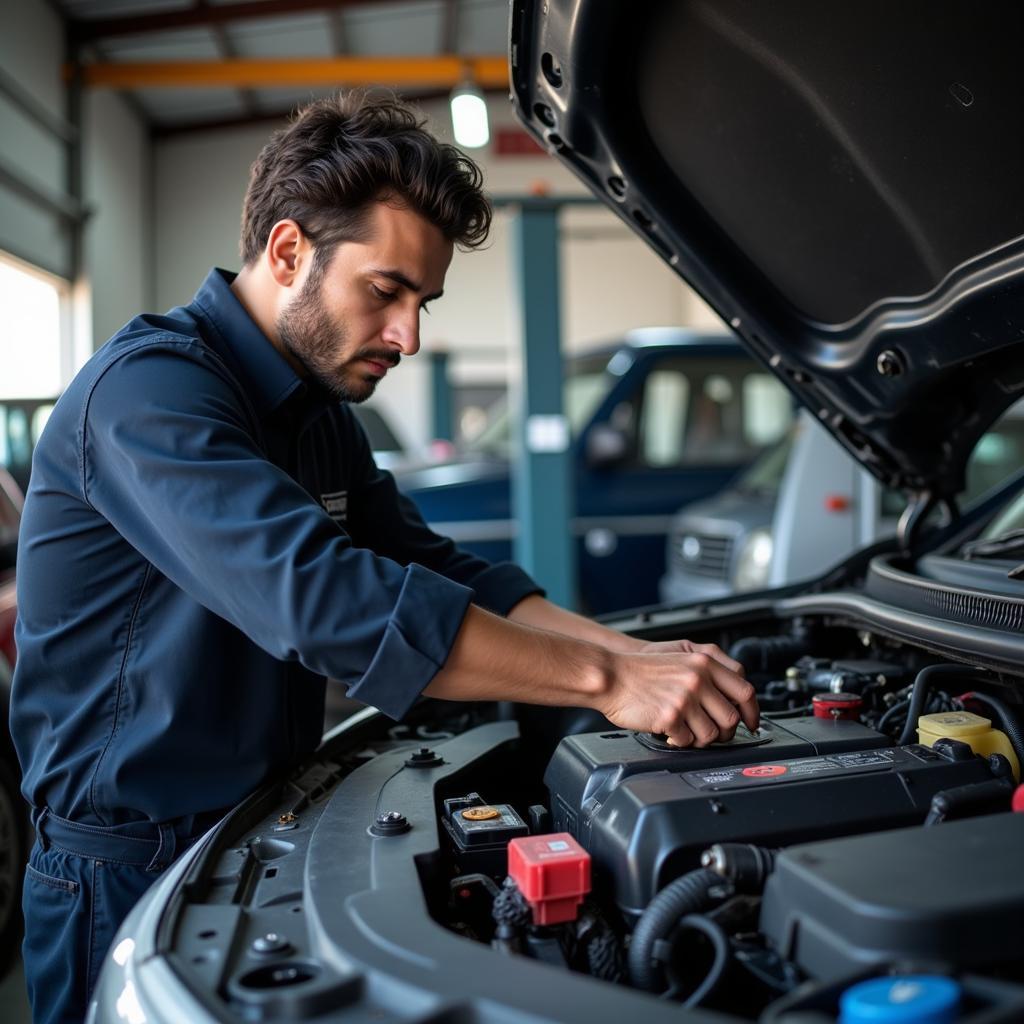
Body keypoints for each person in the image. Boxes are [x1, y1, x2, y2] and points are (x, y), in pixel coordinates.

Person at [10, 92, 757, 1024]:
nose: (409, 336)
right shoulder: (147, 394)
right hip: (127, 870)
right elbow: (328, 603)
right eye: (385, 292)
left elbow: (434, 567)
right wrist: (608, 680)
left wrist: (637, 660)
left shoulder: (320, 416)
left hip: (255, 837)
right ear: (288, 253)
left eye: (423, 302)